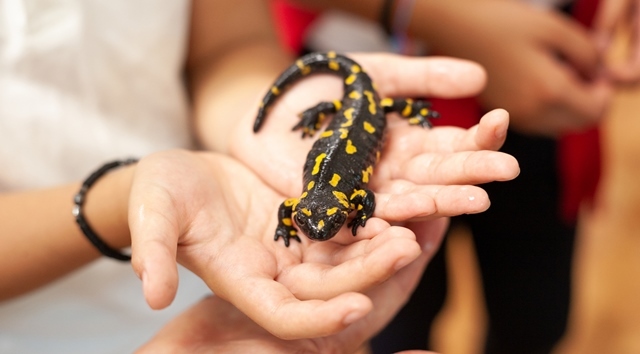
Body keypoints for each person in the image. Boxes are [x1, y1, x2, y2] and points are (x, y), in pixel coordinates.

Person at [0, 0, 520, 352]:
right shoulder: (332, 200)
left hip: (208, 267)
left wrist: (258, 96)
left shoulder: (328, 196)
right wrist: (122, 200)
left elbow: (230, 47)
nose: (316, 227)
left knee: (369, 109)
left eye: (325, 220)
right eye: (319, 221)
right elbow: (316, 209)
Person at [275, 0, 619, 352]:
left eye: (320, 220)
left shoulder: (335, 198)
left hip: (539, 56)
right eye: (304, 221)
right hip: (351, 37)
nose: (318, 230)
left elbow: (354, 199)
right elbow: (301, 206)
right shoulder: (311, 203)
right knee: (404, 310)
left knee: (532, 310)